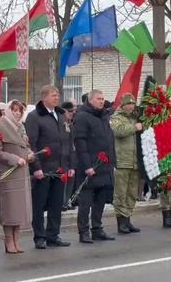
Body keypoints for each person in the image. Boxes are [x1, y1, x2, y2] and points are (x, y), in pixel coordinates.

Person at [25, 85, 75, 249]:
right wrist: (36, 167)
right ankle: (39, 236)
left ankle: (53, 234)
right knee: (39, 204)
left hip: (59, 168)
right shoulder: (35, 117)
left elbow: (67, 141)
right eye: (53, 95)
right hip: (44, 168)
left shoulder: (61, 115)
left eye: (57, 95)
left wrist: (68, 164)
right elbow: (31, 143)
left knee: (56, 204)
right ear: (44, 97)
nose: (57, 97)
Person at [74, 90, 116, 243]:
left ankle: (97, 228)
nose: (102, 101)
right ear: (90, 100)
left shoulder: (104, 116)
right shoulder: (82, 116)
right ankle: (83, 231)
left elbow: (109, 140)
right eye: (99, 99)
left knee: (100, 200)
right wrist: (87, 165)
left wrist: (113, 162)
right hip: (90, 167)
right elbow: (80, 142)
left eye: (103, 99)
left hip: (105, 166)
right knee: (86, 202)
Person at [0, 100, 34, 254]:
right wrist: (14, 159)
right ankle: (8, 239)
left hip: (21, 172)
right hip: (8, 173)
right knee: (9, 208)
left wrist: (30, 154)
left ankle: (17, 238)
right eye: (14, 110)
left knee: (19, 209)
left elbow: (26, 146)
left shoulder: (21, 127)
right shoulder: (0, 126)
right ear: (8, 110)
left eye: (20, 110)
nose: (17, 113)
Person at [110, 94, 142, 234]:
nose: (130, 106)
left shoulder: (135, 118)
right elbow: (119, 131)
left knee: (132, 193)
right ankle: (120, 222)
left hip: (135, 162)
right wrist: (135, 127)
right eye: (128, 104)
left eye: (132, 104)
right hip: (122, 161)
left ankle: (128, 219)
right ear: (122, 105)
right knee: (121, 193)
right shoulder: (116, 118)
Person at [61, 101, 77, 210]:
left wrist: (72, 164)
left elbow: (72, 145)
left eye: (73, 111)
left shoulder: (70, 126)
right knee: (63, 183)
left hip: (70, 156)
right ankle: (62, 202)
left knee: (70, 180)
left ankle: (66, 201)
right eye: (69, 111)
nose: (71, 113)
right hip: (61, 158)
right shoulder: (60, 125)